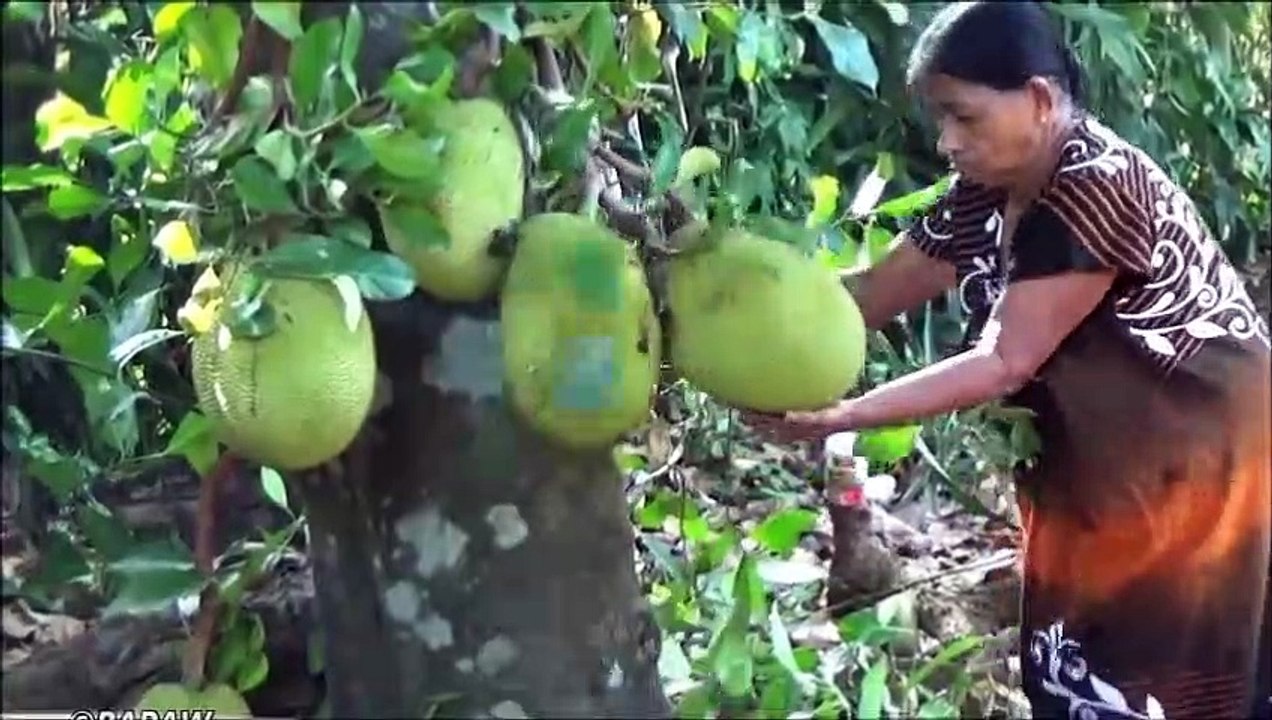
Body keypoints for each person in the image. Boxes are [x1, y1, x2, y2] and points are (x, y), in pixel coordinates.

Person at [743, 2, 1272, 718]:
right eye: (940, 118)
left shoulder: (1094, 182)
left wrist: (843, 415)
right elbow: (866, 297)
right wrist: (732, 308)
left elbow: (1005, 360)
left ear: (1041, 100)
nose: (947, 140)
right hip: (1100, 461)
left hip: (1197, 453)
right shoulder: (985, 193)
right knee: (1081, 643)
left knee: (1157, 656)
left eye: (965, 116)